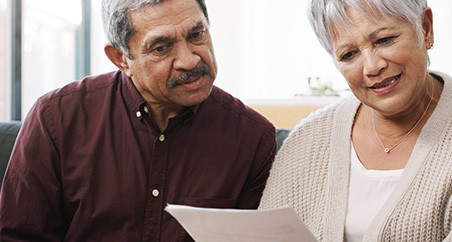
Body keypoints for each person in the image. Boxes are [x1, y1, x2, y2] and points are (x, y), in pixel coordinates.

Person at [0, 0, 276, 240]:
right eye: (161, 47)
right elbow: (20, 236)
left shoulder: (253, 138)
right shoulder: (56, 118)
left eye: (196, 34)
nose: (189, 60)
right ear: (121, 58)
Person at [258, 0, 452, 241]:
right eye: (349, 55)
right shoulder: (306, 140)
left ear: (425, 28)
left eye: (384, 40)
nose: (372, 67)